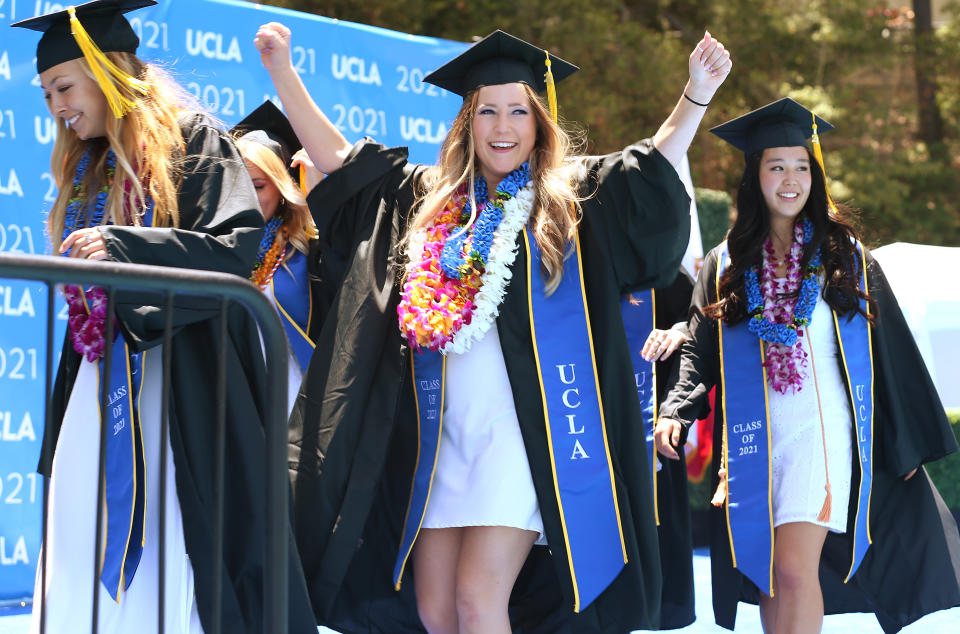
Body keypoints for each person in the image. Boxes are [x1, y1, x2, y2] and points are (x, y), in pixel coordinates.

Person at [259, 20, 731, 633]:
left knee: (480, 602)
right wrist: (282, 72)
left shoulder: (568, 202)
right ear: (468, 121)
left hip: (525, 437)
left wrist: (694, 96)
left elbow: (650, 174)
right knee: (435, 611)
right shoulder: (429, 203)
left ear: (539, 122)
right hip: (442, 438)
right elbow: (343, 164)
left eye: (517, 111)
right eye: (487, 111)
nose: (502, 127)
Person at [11, 2, 316, 632]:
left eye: (63, 86)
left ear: (107, 71)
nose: (56, 106)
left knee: (176, 529)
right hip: (100, 381)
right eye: (46, 94)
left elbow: (233, 250)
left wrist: (126, 249)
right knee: (82, 523)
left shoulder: (194, 138)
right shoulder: (90, 163)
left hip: (183, 383)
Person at [655, 98, 960, 633]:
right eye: (776, 166)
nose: (790, 179)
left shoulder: (845, 257)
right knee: (771, 572)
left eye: (801, 167)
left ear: (814, 177)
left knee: (795, 569)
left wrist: (901, 439)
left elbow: (892, 353)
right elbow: (700, 348)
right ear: (756, 177)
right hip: (752, 442)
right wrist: (676, 410)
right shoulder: (726, 263)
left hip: (823, 438)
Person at [231, 100, 331, 414]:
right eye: (238, 184)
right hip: (231, 405)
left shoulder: (307, 252)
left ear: (281, 187)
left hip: (293, 407)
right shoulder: (219, 250)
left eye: (258, 186)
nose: (246, 197)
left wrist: (318, 194)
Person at [620, 269, 697, 630]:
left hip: (651, 445)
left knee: (649, 582)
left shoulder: (665, 275)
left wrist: (681, 332)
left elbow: (702, 332)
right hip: (575, 444)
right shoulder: (562, 263)